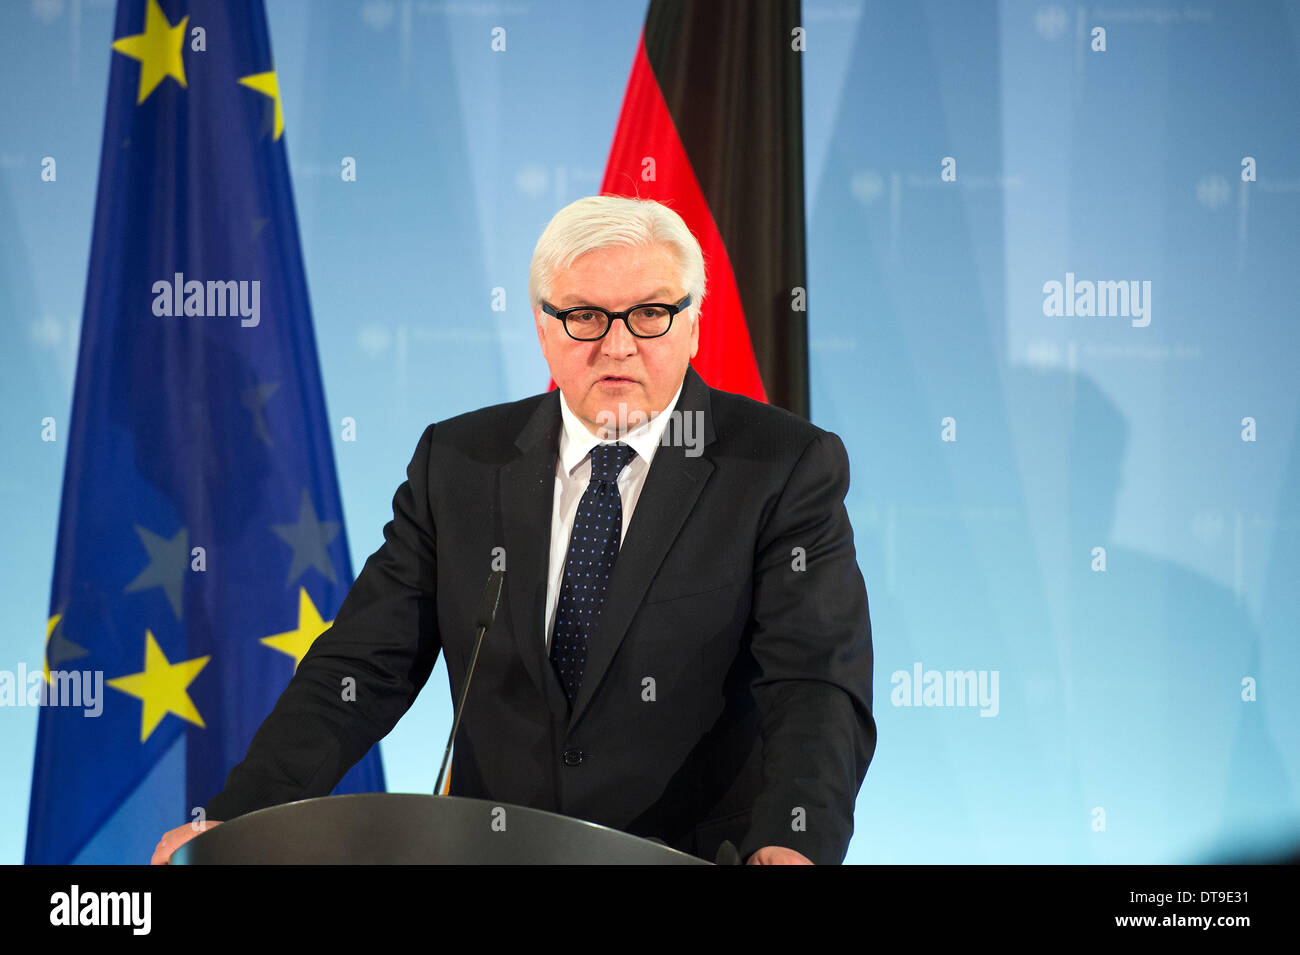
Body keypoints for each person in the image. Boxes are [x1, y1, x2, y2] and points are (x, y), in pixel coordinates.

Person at [152, 195, 876, 865]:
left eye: (650, 313)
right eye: (585, 316)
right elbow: (362, 667)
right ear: (541, 325)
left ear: (693, 322)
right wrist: (238, 816)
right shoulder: (461, 463)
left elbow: (814, 682)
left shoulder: (780, 467)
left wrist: (793, 839)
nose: (618, 345)